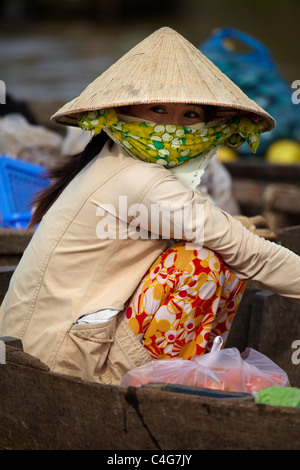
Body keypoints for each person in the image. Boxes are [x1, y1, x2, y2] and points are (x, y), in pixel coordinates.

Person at [1, 27, 299, 385]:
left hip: (52, 344)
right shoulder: (139, 179)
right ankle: (145, 386)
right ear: (124, 113)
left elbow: (212, 226)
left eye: (190, 114)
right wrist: (239, 234)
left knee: (219, 245)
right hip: (58, 363)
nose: (173, 126)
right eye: (158, 110)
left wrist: (236, 227)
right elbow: (252, 254)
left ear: (207, 125)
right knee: (203, 264)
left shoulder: (111, 161)